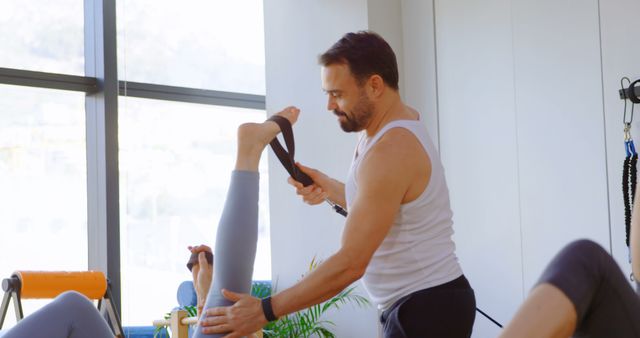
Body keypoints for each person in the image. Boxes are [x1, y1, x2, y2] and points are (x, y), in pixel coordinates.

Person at [198, 31, 476, 338]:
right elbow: (387, 207)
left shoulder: (393, 149)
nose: (330, 105)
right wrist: (331, 187)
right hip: (419, 303)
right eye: (327, 93)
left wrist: (265, 310)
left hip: (429, 308)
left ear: (374, 85)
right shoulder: (378, 130)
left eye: (338, 94)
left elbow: (351, 263)